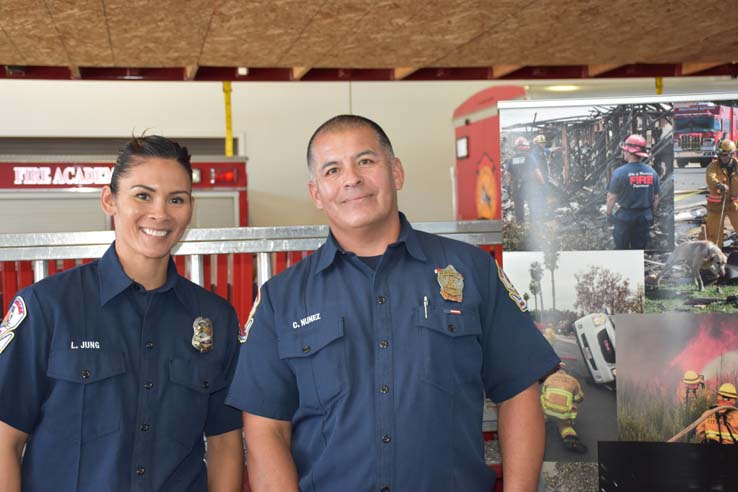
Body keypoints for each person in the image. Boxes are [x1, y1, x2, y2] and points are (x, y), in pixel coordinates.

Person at [227, 115, 560, 492]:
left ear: (396, 172)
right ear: (317, 193)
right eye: (333, 170)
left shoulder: (472, 271)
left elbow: (518, 391)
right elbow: (265, 429)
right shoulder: (281, 298)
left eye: (365, 161)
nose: (351, 179)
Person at [0, 136, 244, 491]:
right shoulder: (47, 308)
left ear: (190, 208)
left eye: (176, 199)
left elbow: (224, 443)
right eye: (143, 195)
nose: (160, 213)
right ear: (109, 200)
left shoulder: (215, 319)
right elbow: (5, 439)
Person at [606, 134, 661, 249]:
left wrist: (609, 213)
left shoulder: (619, 172)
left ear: (629, 152)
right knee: (639, 249)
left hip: (625, 217)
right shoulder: (652, 172)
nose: (623, 153)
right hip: (644, 216)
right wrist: (651, 214)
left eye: (625, 151)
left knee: (622, 249)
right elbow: (656, 198)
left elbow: (611, 197)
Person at [540, 363, 587, 454]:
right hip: (563, 414)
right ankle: (570, 437)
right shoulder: (574, 381)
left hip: (546, 410)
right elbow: (579, 399)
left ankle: (542, 420)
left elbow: (544, 392)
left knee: (542, 397)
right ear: (566, 372)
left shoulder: (549, 378)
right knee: (564, 425)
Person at [705, 139, 738, 248]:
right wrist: (718, 185)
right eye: (721, 155)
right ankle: (714, 257)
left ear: (732, 154)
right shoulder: (713, 165)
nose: (723, 157)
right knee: (714, 235)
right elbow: (710, 177)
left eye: (726, 155)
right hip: (717, 206)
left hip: (734, 206)